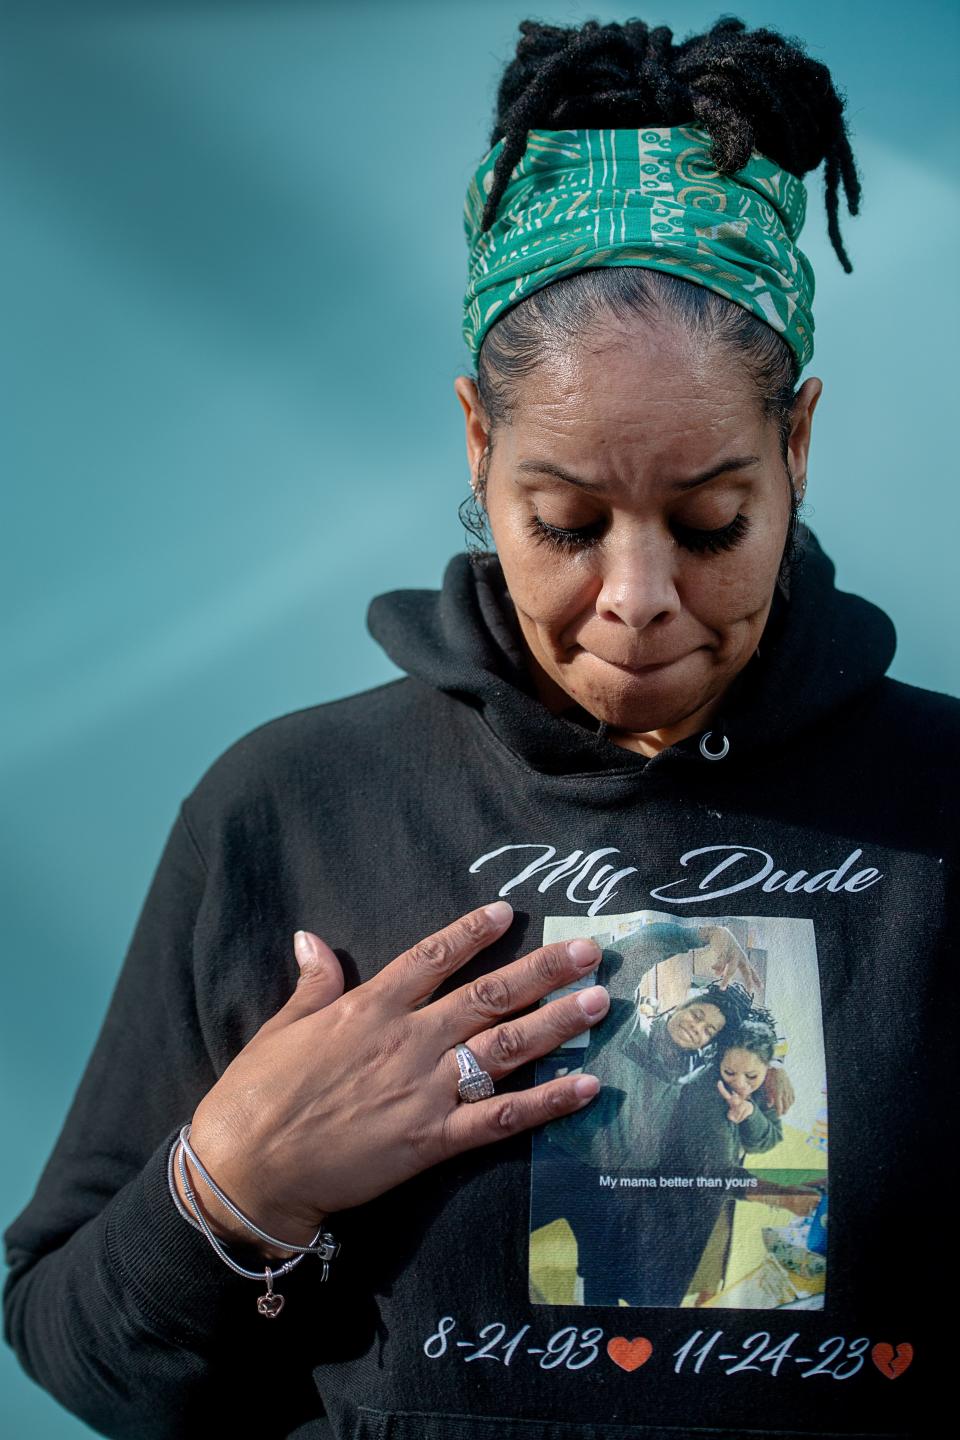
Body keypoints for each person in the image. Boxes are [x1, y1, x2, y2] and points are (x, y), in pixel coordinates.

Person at [4, 15, 956, 1440]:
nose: (636, 600)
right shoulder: (284, 806)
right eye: (567, 522)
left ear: (798, 446)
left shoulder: (942, 809)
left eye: (710, 522)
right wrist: (234, 1183)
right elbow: (83, 1362)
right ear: (476, 447)